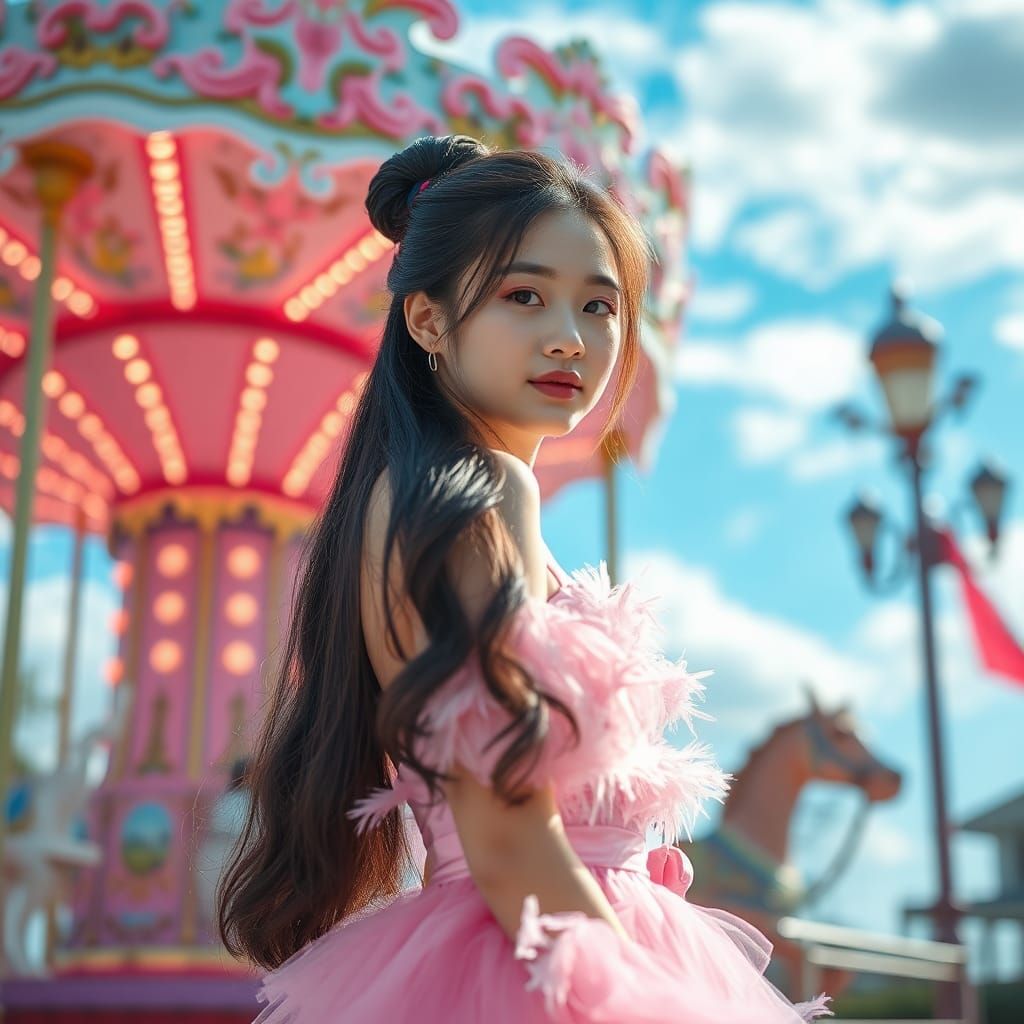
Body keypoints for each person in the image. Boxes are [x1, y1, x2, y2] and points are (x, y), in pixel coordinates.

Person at [217, 134, 832, 1023]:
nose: (570, 337)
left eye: (599, 305)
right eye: (524, 295)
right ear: (428, 321)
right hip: (543, 948)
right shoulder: (481, 493)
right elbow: (506, 832)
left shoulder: (432, 498)